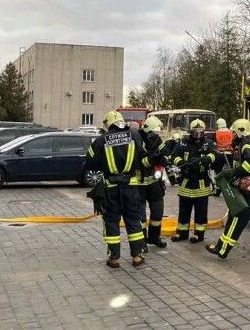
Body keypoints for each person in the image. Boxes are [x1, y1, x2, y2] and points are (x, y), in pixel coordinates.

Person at [206, 118, 250, 260]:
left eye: (234, 132)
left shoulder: (247, 142)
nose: (233, 136)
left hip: (249, 189)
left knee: (236, 217)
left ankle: (222, 249)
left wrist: (233, 173)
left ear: (240, 130)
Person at [84, 111, 146, 268]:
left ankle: (115, 258)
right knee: (133, 220)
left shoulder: (100, 140)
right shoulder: (135, 136)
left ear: (107, 124)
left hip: (111, 189)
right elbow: (144, 157)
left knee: (111, 222)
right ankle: (137, 256)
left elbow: (89, 163)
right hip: (131, 188)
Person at [170, 119, 216, 243]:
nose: (198, 135)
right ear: (190, 132)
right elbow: (173, 156)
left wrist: (206, 159)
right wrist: (182, 163)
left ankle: (199, 234)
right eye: (195, 133)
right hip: (186, 180)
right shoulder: (183, 143)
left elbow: (214, 154)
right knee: (184, 210)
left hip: (201, 181)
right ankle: (182, 233)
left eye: (200, 132)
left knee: (201, 211)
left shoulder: (208, 143)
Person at [138, 115, 168, 251]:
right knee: (140, 216)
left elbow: (163, 153)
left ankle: (154, 238)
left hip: (154, 181)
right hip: (139, 183)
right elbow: (143, 162)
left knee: (158, 211)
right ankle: (141, 241)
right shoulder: (138, 140)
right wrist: (156, 157)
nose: (156, 136)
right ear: (147, 130)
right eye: (154, 133)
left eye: (157, 133)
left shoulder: (157, 139)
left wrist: (165, 159)